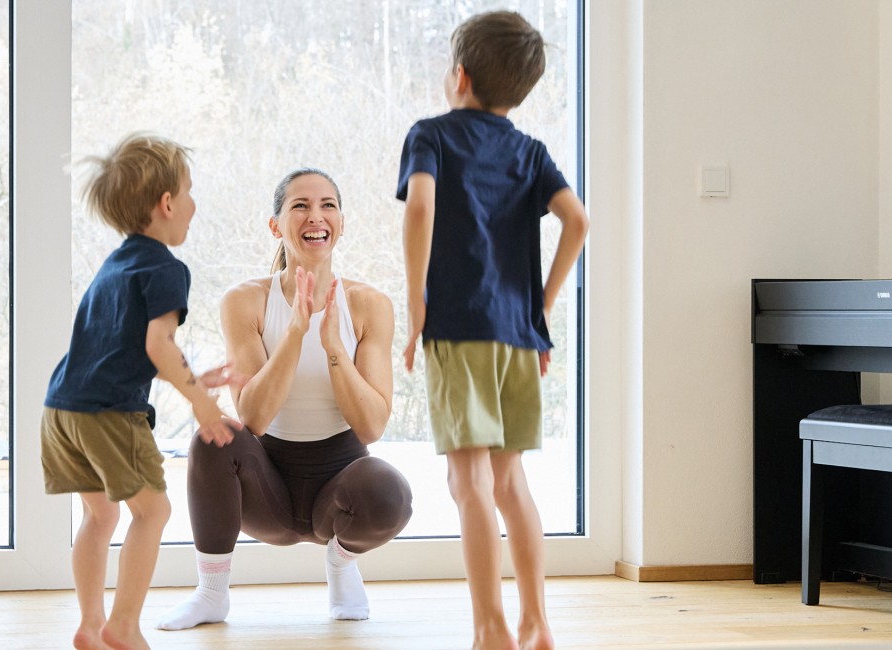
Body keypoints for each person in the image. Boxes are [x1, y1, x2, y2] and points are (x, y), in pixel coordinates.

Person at [395, 11, 590, 650]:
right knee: (510, 483)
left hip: (459, 326)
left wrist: (416, 302)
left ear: (460, 75)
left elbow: (420, 205)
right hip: (517, 333)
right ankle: (536, 622)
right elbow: (578, 222)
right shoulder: (530, 151)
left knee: (468, 482)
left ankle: (490, 629)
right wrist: (541, 309)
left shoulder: (431, 135)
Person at [158, 168, 414, 631]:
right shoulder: (246, 301)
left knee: (390, 492)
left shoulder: (369, 304)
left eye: (327, 205)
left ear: (341, 222)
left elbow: (372, 426)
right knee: (214, 437)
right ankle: (211, 594)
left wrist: (335, 348)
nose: (315, 216)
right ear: (276, 225)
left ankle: (340, 563)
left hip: (339, 492)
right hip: (267, 488)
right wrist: (297, 333)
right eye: (300, 206)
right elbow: (252, 417)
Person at [41, 132, 243, 650]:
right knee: (153, 513)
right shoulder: (166, 269)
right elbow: (159, 345)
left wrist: (198, 374)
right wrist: (202, 402)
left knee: (98, 515)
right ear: (168, 203)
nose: (195, 205)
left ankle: (90, 624)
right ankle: (123, 626)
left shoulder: (117, 264)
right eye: (190, 192)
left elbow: (120, 347)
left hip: (63, 408)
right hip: (109, 415)